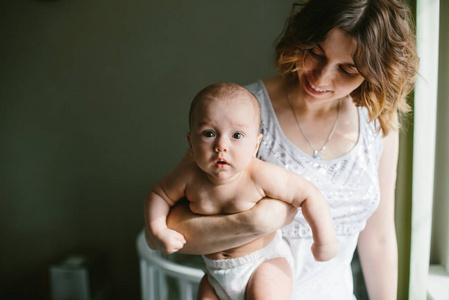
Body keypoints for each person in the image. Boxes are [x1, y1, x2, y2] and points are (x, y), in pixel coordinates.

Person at [153, 0, 419, 299]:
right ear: (301, 38)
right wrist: (255, 222)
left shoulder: (377, 122)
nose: (321, 78)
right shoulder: (242, 115)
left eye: (347, 69)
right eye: (315, 53)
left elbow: (379, 238)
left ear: (376, 72)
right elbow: (170, 231)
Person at [145, 82, 338, 300]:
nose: (221, 146)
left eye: (236, 136)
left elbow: (308, 194)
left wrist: (324, 241)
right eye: (208, 133)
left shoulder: (258, 175)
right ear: (191, 143)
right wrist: (157, 230)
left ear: (256, 145)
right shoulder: (189, 177)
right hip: (215, 272)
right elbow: (159, 194)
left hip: (262, 264)